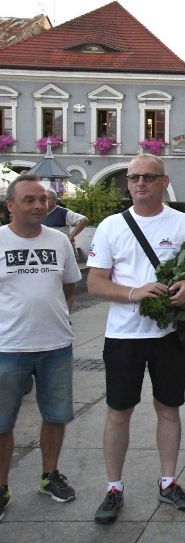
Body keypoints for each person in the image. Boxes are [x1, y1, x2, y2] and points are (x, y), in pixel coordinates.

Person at [87, 154, 185, 524]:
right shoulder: (111, 227)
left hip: (167, 334)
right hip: (124, 335)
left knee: (168, 409)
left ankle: (168, 482)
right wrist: (136, 292)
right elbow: (95, 282)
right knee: (119, 412)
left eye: (148, 178)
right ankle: (113, 488)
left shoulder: (183, 223)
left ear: (164, 182)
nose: (139, 184)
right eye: (134, 178)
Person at [0, 175, 81, 522]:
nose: (39, 206)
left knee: (56, 415)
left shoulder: (59, 241)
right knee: (2, 423)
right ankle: (1, 487)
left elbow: (69, 288)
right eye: (30, 200)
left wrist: (52, 318)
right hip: (7, 348)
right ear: (10, 206)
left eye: (43, 200)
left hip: (56, 346)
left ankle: (50, 475)